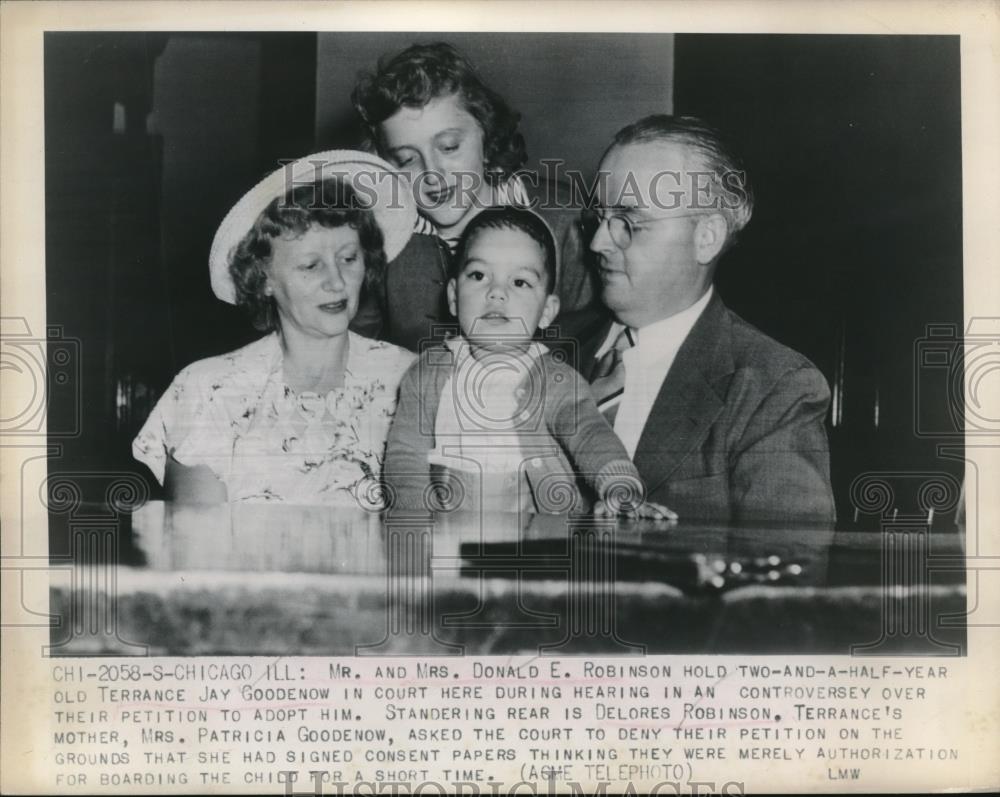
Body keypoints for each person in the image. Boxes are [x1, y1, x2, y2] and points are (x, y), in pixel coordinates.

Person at [560, 115, 836, 523]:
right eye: (598, 217)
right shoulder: (539, 346)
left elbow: (787, 566)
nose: (599, 242)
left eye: (629, 222)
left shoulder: (772, 389)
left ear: (706, 237)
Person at [133, 151, 417, 507]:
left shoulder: (411, 378)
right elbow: (197, 548)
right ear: (263, 277)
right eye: (310, 265)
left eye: (348, 258)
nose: (337, 282)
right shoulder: (209, 390)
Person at [383, 206, 675, 519]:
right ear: (454, 297)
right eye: (479, 275)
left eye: (520, 282)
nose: (496, 293)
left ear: (547, 311)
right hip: (445, 539)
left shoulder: (555, 380)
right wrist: (408, 519)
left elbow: (591, 434)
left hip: (536, 537)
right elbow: (405, 454)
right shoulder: (428, 374)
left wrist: (620, 486)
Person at [349, 41, 596, 351]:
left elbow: (596, 342)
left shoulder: (566, 219)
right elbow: (359, 351)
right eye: (406, 160)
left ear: (487, 133)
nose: (432, 173)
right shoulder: (383, 239)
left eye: (450, 146)